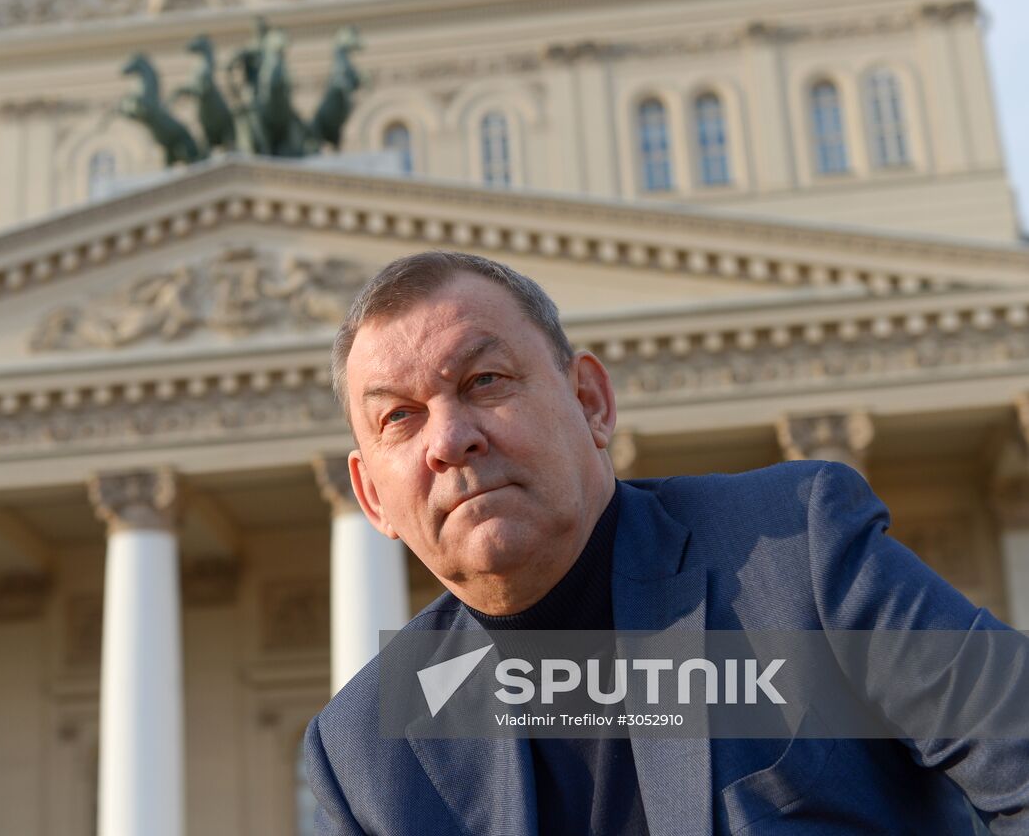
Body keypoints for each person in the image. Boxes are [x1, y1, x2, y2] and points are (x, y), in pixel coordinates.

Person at [303, 250, 1027, 835]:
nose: (451, 440)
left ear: (591, 401)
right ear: (371, 497)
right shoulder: (365, 753)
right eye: (400, 417)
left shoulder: (798, 552)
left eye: (484, 380)